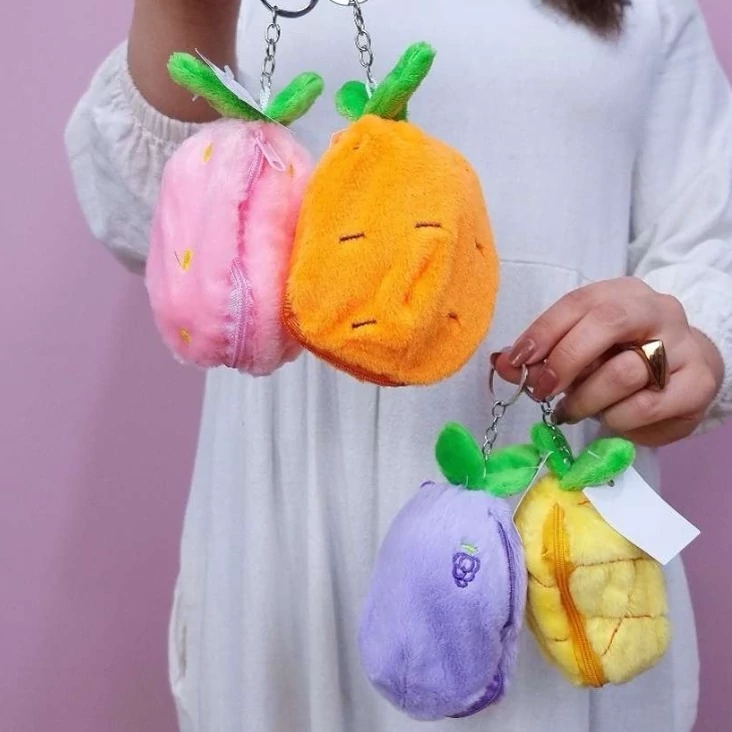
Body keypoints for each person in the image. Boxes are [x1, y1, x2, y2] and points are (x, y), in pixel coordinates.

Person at [65, 0, 732, 729]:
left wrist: (682, 349)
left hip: (551, 527)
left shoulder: (656, 11)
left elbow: (706, 246)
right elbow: (155, 222)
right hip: (293, 520)